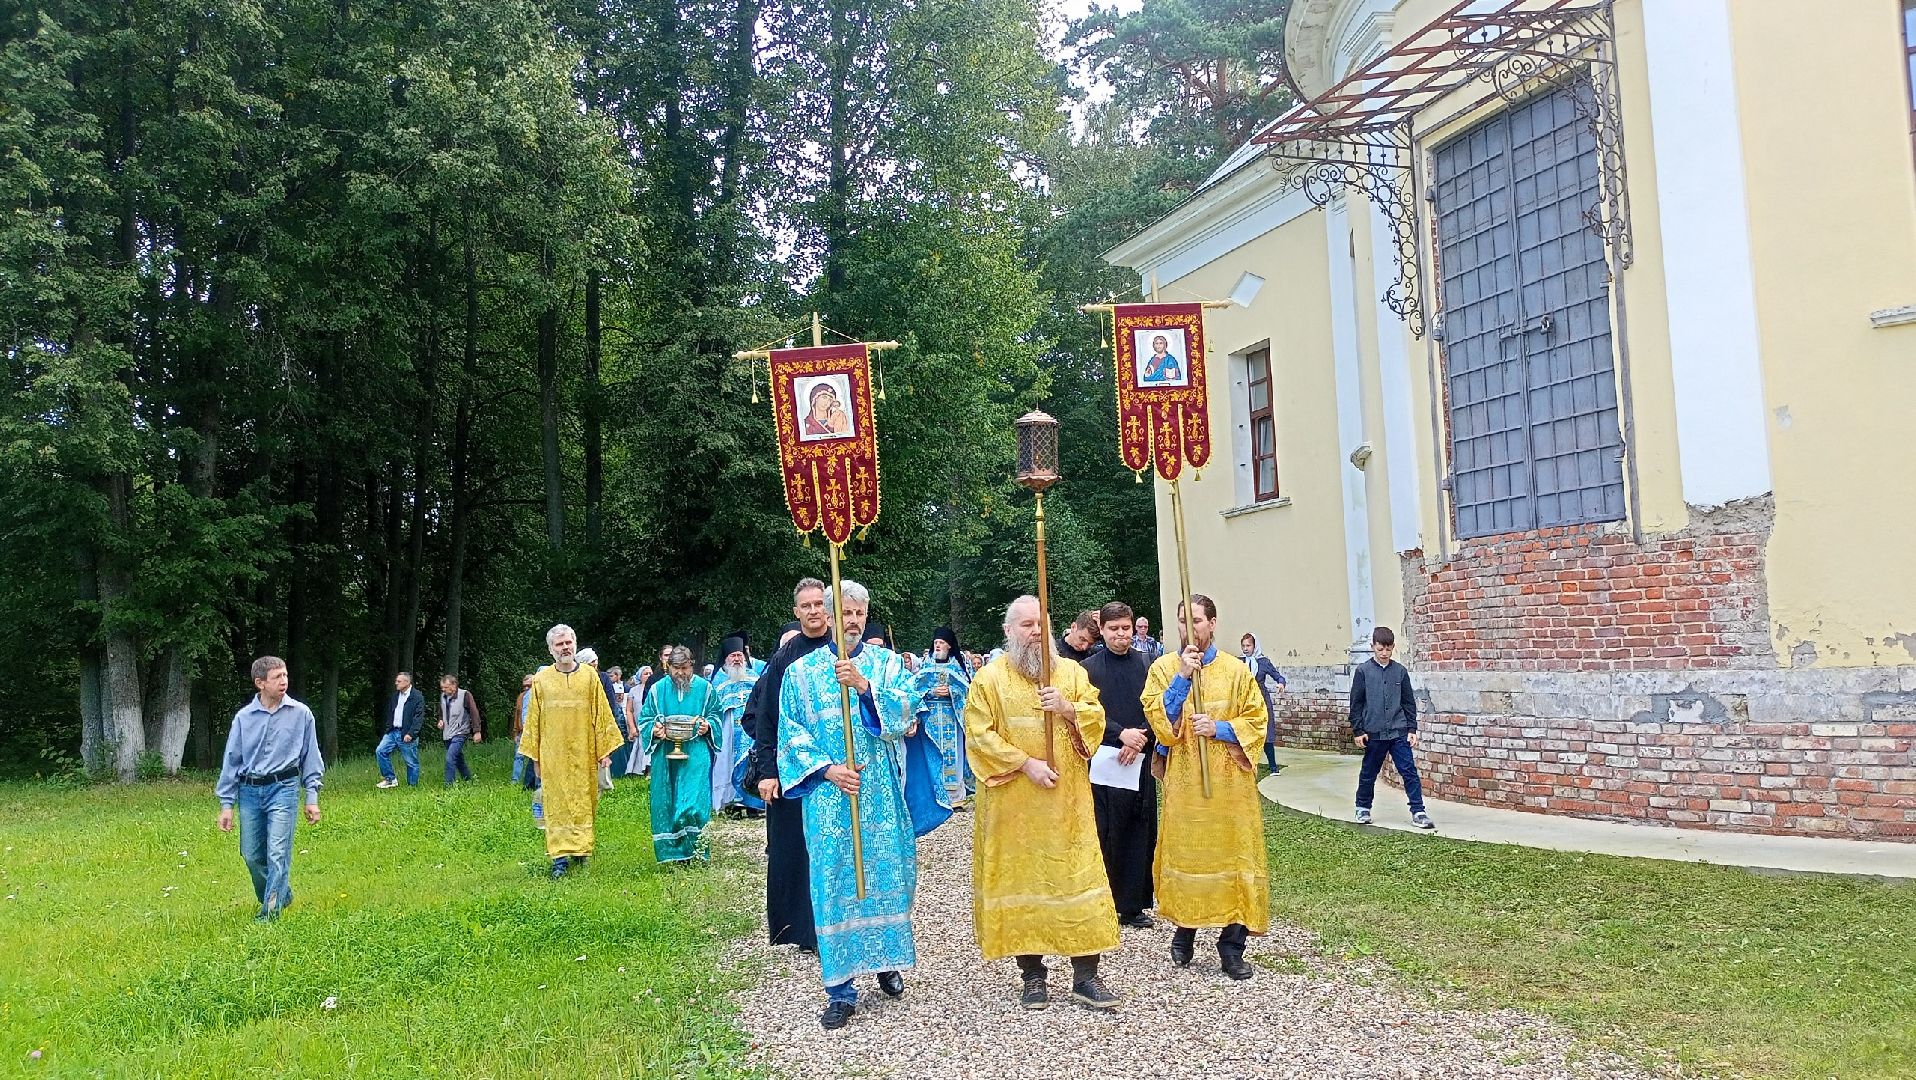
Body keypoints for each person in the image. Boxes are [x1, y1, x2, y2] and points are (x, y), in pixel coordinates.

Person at [964, 596, 1122, 1012]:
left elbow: (1096, 718)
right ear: (1009, 631)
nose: (1036, 632)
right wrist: (1025, 763)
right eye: (1026, 625)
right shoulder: (989, 680)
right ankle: (1032, 975)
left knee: (1077, 877)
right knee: (1024, 882)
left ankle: (1086, 974)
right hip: (1015, 806)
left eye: (1041, 624)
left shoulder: (1070, 673)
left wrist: (1068, 709)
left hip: (1066, 804)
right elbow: (979, 736)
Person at [777, 579, 920, 1029]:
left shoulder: (886, 665)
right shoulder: (799, 674)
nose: (853, 621)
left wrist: (864, 689)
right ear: (831, 616)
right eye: (846, 613)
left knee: (885, 873)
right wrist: (826, 769)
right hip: (829, 799)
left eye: (860, 613)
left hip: (879, 792)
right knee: (834, 880)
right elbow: (790, 732)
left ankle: (885, 962)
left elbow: (906, 715)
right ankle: (839, 988)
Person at [1143, 594, 1270, 980]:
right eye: (1183, 622)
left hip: (1230, 787)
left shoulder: (1235, 671)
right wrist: (1182, 677)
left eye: (1197, 621)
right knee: (1190, 856)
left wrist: (1220, 728)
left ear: (1213, 624)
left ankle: (1232, 945)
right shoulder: (1164, 668)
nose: (1190, 629)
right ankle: (1185, 930)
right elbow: (1158, 719)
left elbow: (1257, 720)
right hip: (1186, 783)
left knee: (1233, 858)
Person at [743, 583, 833, 953]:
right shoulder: (784, 659)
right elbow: (763, 718)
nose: (813, 611)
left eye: (818, 604)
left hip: (839, 768)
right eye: (805, 606)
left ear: (828, 609)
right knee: (796, 846)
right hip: (794, 767)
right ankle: (804, 930)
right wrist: (768, 772)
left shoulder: (842, 651)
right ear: (796, 612)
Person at [216, 656, 325, 921]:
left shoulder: (301, 714)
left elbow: (311, 757)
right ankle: (281, 893)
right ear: (260, 683)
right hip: (250, 792)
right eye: (277, 677)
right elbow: (232, 761)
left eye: (285, 675)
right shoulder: (244, 718)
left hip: (284, 789)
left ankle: (270, 913)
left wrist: (311, 797)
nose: (284, 681)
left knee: (278, 852)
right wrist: (226, 805)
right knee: (252, 856)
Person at [520, 624, 624, 878]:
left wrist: (604, 751)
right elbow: (533, 719)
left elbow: (601, 713)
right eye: (559, 644)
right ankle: (559, 857)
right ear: (550, 649)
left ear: (575, 644)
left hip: (584, 752)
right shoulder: (542, 681)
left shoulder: (589, 676)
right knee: (556, 804)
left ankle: (581, 850)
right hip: (552, 754)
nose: (565, 647)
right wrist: (534, 757)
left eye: (568, 642)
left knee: (583, 801)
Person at [1079, 602, 1158, 929]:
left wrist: (1141, 737)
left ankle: (1132, 904)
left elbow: (1158, 705)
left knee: (1139, 830)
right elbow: (1085, 710)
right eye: (1114, 629)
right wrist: (1119, 733)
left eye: (1126, 628)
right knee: (1104, 830)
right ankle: (1102, 898)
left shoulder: (1147, 664)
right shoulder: (1089, 668)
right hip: (1105, 760)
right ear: (1104, 631)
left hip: (1139, 760)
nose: (1121, 635)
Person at [638, 646, 721, 864]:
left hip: (696, 750)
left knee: (692, 802)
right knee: (666, 800)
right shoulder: (657, 689)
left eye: (685, 668)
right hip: (665, 752)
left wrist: (708, 726)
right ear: (668, 667)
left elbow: (716, 715)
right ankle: (671, 854)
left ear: (692, 666)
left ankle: (696, 851)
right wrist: (654, 730)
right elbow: (645, 719)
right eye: (676, 669)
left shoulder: (705, 689)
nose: (681, 673)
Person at [1350, 626, 1434, 830]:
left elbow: (1408, 702)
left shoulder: (1400, 671)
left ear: (1393, 648)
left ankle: (1418, 811)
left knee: (1409, 771)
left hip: (1398, 731)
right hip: (1374, 733)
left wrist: (1412, 729)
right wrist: (1358, 730)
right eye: (1380, 649)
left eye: (1388, 649)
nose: (1384, 653)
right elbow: (1356, 703)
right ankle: (1363, 807)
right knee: (1369, 772)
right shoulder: (1363, 671)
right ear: (1373, 647)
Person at [913, 627, 973, 808]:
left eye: (941, 643)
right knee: (932, 753)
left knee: (952, 754)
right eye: (935, 643)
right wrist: (930, 692)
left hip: (952, 717)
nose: (937, 646)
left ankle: (955, 797)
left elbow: (969, 691)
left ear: (949, 646)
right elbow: (915, 690)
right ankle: (934, 796)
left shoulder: (958, 666)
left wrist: (952, 692)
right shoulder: (926, 665)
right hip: (930, 718)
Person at [713, 633, 764, 814]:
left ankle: (754, 803)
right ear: (726, 658)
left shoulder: (754, 676)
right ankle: (730, 800)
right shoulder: (718, 680)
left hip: (751, 730)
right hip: (728, 731)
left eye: (739, 655)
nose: (737, 659)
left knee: (753, 763)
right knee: (727, 762)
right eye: (733, 656)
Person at [1238, 633, 1287, 774]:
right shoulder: (1238, 662)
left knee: (1267, 731)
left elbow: (1278, 676)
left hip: (1261, 700)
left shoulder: (1263, 662)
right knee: (1244, 730)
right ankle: (1247, 763)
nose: (1246, 649)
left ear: (1255, 646)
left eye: (1248, 645)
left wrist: (1281, 684)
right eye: (1243, 646)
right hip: (1244, 700)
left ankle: (1273, 767)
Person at [577, 646, 624, 792]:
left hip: (601, 720)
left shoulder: (603, 677)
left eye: (595, 662)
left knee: (602, 751)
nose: (595, 665)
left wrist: (611, 720)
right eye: (591, 662)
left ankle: (604, 783)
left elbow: (611, 701)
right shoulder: (576, 678)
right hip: (581, 721)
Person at [375, 671, 424, 788]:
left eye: (399, 681)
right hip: (392, 731)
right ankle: (390, 779)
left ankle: (412, 787)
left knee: (411, 761)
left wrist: (411, 733)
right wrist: (388, 727)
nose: (396, 683)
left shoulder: (417, 696)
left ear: (407, 682)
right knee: (380, 751)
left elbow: (418, 717)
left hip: (406, 733)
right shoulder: (395, 696)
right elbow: (391, 713)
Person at [437, 673, 483, 785]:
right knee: (458, 759)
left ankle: (449, 785)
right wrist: (440, 720)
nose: (443, 690)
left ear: (454, 685)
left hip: (460, 732)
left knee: (450, 757)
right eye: (442, 688)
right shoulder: (443, 697)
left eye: (446, 687)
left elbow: (474, 712)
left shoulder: (465, 695)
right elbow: (441, 712)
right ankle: (469, 780)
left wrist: (477, 731)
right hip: (447, 732)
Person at [511, 674, 537, 789]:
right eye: (524, 686)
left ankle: (531, 782)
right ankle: (515, 780)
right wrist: (516, 732)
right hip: (522, 732)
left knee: (533, 758)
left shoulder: (537, 696)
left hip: (533, 731)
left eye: (529, 686)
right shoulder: (521, 697)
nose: (526, 688)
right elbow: (518, 715)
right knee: (518, 756)